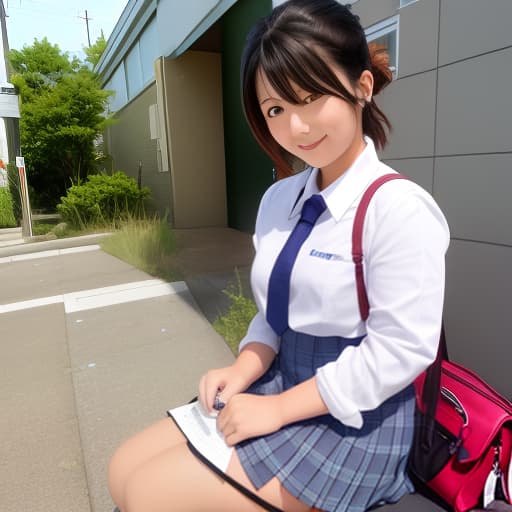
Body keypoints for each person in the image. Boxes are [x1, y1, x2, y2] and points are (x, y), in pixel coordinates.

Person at [107, 1, 450, 511]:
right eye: (275, 110)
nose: (296, 128)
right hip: (279, 380)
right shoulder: (278, 201)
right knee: (122, 470)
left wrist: (281, 410)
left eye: (310, 98)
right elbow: (275, 315)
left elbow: (401, 351)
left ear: (362, 86)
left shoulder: (399, 209)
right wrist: (244, 366)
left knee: (148, 496)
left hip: (358, 412)